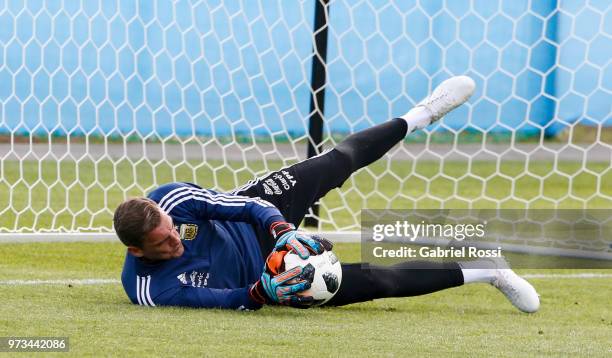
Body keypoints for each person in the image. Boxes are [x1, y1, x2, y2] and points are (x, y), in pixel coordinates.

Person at [113, 76, 540, 312]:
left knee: (338, 162)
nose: (173, 239)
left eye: (172, 231)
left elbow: (239, 205)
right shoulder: (149, 289)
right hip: (271, 277)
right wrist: (264, 291)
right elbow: (221, 299)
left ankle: (422, 113)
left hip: (263, 213)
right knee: (377, 281)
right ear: (136, 251)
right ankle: (486, 269)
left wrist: (281, 230)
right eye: (163, 243)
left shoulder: (170, 200)